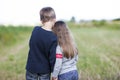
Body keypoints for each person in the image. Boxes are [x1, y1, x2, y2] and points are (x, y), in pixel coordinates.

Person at [26, 7, 57, 80]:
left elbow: (31, 44)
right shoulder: (53, 37)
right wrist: (54, 72)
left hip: (31, 68)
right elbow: (52, 58)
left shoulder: (35, 30)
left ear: (41, 20)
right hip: (44, 70)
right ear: (54, 19)